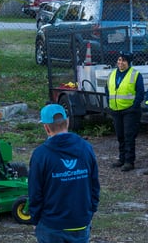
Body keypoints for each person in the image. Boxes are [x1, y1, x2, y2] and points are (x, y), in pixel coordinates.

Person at [29, 104, 100, 243]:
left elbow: (35, 192)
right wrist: (90, 211)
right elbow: (94, 185)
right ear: (67, 121)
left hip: (51, 226)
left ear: (46, 127)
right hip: (80, 222)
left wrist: (35, 219)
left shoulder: (41, 155)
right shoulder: (86, 148)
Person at [105, 51, 144, 172]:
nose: (120, 62)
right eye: (119, 60)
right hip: (116, 110)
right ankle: (121, 159)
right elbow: (107, 90)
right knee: (120, 136)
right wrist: (110, 104)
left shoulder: (135, 74)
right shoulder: (112, 74)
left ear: (128, 62)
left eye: (123, 60)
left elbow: (140, 93)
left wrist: (134, 106)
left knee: (128, 136)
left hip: (130, 111)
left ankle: (129, 161)